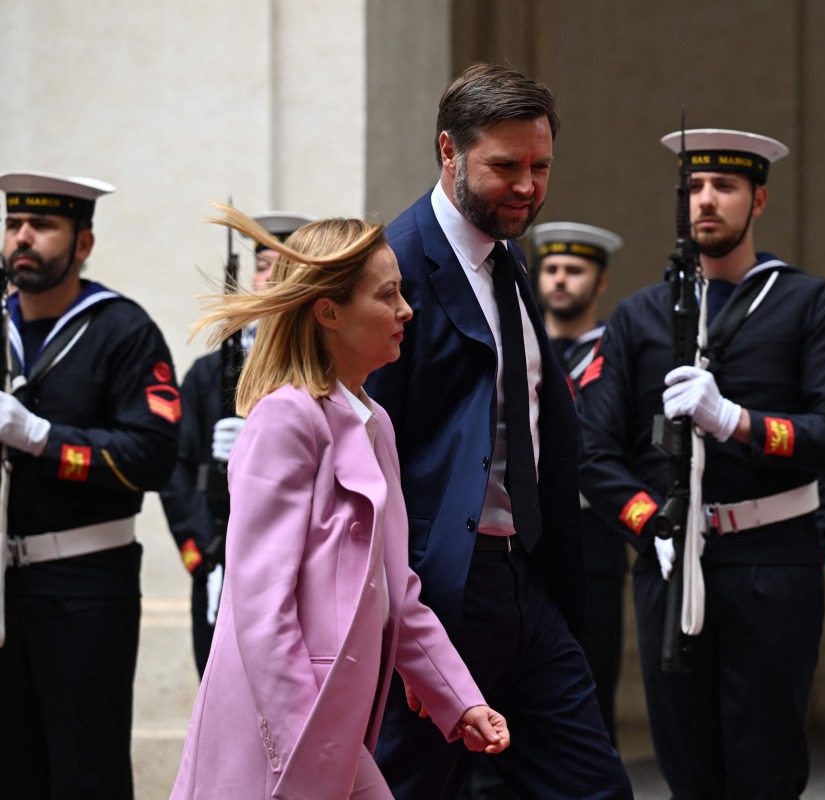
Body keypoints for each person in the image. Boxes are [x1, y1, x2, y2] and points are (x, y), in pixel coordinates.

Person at [170, 204, 509, 800]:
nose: (406, 310)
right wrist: (306, 745)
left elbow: (396, 589)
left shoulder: (373, 420)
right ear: (328, 311)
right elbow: (261, 608)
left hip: (330, 734)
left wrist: (459, 701)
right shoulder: (286, 417)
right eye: (387, 296)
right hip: (281, 738)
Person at [365, 63, 633, 799]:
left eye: (540, 166)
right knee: (416, 787)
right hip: (436, 590)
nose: (527, 186)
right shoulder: (394, 267)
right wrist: (401, 617)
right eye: (505, 167)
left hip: (526, 575)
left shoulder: (509, 257)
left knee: (592, 785)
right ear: (448, 152)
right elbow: (366, 457)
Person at [576, 128, 825, 798]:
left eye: (725, 187)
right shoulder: (640, 316)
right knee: (687, 764)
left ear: (758, 199)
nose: (707, 201)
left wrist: (738, 423)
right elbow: (593, 449)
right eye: (695, 189)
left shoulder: (809, 304)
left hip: (771, 561)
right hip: (671, 564)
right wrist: (651, 524)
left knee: (765, 764)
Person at [0, 171, 182, 798]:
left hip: (85, 583)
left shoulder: (121, 331)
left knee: (84, 773)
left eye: (42, 226)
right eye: (13, 225)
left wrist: (41, 438)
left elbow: (155, 456)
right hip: (1, 587)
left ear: (82, 244)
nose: (22, 238)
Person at [160, 210, 315, 676]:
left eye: (288, 268)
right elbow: (177, 472)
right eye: (266, 265)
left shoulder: (321, 376)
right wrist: (202, 561)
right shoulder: (208, 376)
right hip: (218, 559)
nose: (273, 278)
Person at [531, 220, 627, 740]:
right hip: (524, 530)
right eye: (551, 269)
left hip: (594, 534)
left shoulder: (615, 353)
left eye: (574, 269)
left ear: (601, 280)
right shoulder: (519, 345)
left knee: (590, 679)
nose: (560, 280)